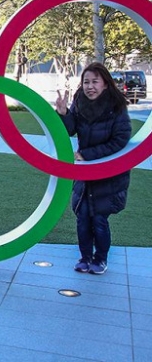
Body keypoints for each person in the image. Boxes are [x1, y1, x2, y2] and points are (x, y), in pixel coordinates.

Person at [56, 62, 131, 275]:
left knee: (99, 219)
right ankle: (85, 257)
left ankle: (100, 259)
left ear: (105, 84)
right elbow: (70, 130)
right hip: (85, 173)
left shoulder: (116, 107)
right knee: (83, 218)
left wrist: (87, 155)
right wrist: (63, 114)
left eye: (95, 82)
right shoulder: (80, 103)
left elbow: (120, 140)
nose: (90, 86)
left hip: (107, 174)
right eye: (86, 82)